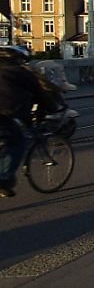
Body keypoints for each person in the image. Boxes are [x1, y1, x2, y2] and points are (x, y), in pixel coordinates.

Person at [0, 46, 60, 198]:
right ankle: (4, 179)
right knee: (17, 142)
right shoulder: (21, 73)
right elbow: (41, 94)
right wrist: (52, 108)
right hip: (4, 115)